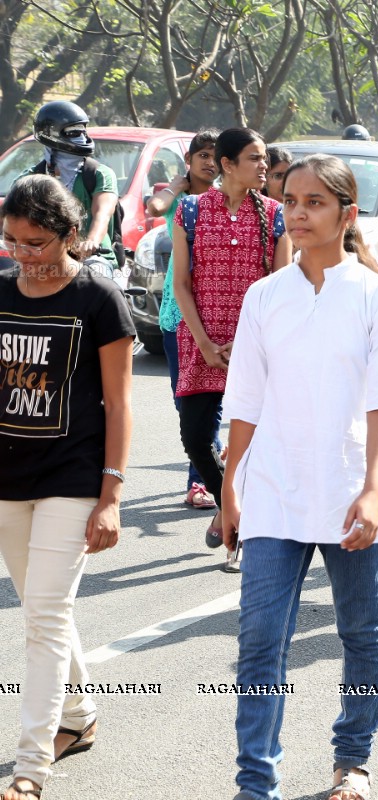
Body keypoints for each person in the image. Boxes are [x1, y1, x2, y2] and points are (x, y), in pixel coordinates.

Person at [221, 154, 378, 800]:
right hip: (273, 486)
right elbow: (243, 402)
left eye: (315, 203)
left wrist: (375, 488)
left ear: (346, 215)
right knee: (261, 637)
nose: (297, 213)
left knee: (361, 631)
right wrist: (229, 488)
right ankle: (255, 781)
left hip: (352, 489)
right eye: (291, 201)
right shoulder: (264, 297)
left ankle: (352, 760)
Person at [0, 174, 134, 800]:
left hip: (73, 478)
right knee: (42, 611)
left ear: (70, 235)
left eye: (35, 242)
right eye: (12, 242)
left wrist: (110, 495)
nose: (23, 255)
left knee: (45, 617)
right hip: (7, 479)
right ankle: (79, 719)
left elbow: (119, 403)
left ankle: (31, 765)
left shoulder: (98, 299)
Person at [172, 127, 291, 572]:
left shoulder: (277, 215)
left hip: (256, 349)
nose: (265, 166)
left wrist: (244, 344)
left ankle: (239, 538)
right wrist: (204, 342)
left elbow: (280, 291)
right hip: (200, 344)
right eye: (254, 158)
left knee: (252, 449)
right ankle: (228, 506)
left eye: (264, 158)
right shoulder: (190, 211)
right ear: (226, 164)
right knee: (196, 440)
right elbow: (182, 284)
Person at [145, 129, 222, 510]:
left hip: (216, 312)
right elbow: (154, 207)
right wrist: (177, 184)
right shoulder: (182, 202)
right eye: (201, 155)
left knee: (211, 403)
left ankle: (202, 481)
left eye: (214, 155)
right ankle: (210, 466)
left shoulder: (226, 200)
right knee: (185, 401)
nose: (209, 162)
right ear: (189, 160)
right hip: (177, 315)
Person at [21, 101, 122, 278]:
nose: (82, 138)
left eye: (84, 131)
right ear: (51, 135)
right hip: (45, 259)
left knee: (95, 280)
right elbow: (10, 212)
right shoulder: (29, 179)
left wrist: (91, 242)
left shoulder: (99, 174)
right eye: (74, 133)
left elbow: (102, 214)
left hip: (93, 257)